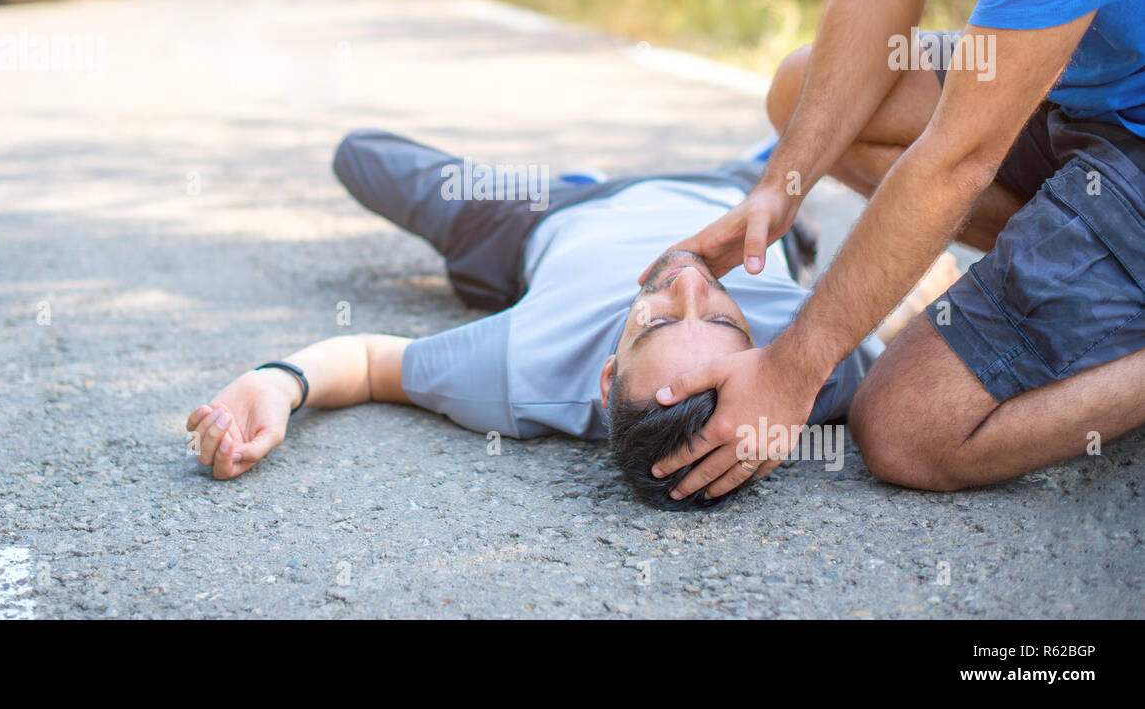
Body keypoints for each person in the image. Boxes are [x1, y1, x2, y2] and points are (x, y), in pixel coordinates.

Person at [644, 0, 1145, 499]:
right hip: (1079, 81)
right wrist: (779, 191)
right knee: (800, 94)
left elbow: (959, 158)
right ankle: (1086, 272)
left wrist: (793, 367)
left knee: (907, 424)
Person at [186, 129, 949, 508]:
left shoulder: (521, 369)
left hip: (542, 214)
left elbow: (368, 362)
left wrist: (277, 382)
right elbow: (906, 332)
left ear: (608, 372)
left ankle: (574, 177)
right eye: (726, 322)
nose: (686, 282)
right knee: (836, 108)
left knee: (362, 155)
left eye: (653, 321)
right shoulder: (811, 367)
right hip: (737, 197)